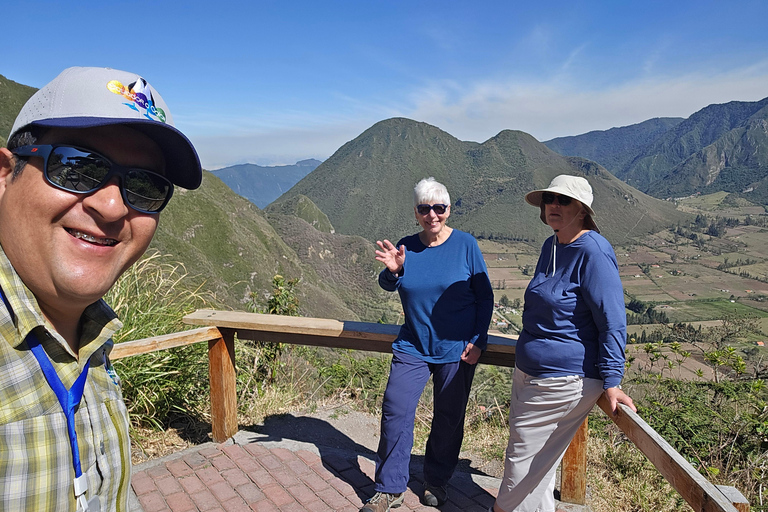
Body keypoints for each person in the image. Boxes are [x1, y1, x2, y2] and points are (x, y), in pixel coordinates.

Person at [0, 67, 201, 511]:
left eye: (145, 187)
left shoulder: (92, 334)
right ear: (3, 175)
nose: (112, 206)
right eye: (77, 166)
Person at [490, 175, 635, 512]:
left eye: (563, 201)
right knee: (537, 468)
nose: (553, 206)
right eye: (549, 200)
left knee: (520, 465)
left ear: (582, 210)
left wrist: (612, 381)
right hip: (532, 373)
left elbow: (612, 321)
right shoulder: (552, 245)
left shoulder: (594, 252)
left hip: (563, 379)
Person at [361, 177, 494, 512]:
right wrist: (393, 271)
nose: (432, 215)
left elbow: (485, 296)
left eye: (439, 208)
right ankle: (389, 488)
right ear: (416, 212)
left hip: (456, 349)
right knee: (396, 410)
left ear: (448, 210)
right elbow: (387, 282)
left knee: (448, 417)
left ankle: (436, 481)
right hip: (413, 346)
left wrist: (479, 340)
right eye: (425, 208)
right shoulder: (407, 246)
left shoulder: (466, 246)